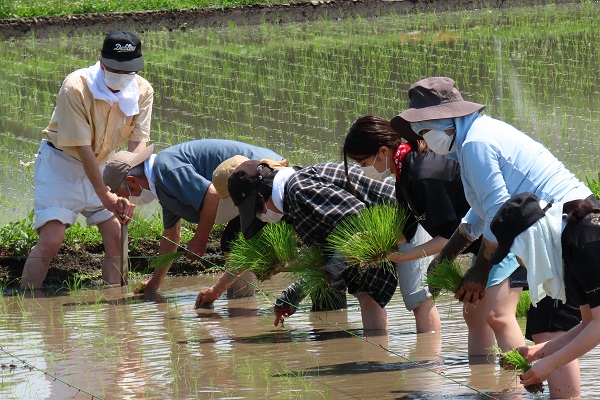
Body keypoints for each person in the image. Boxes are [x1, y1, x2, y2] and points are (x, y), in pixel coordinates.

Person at [390, 77, 593, 398]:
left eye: (424, 127)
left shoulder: (476, 144)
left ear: (447, 117)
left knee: (551, 325)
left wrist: (479, 272)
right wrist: (445, 257)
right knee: (553, 326)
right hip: (559, 226)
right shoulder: (474, 140)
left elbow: (499, 215)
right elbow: (479, 214)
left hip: (567, 226)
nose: (422, 136)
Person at [342, 115, 531, 351]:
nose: (363, 170)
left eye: (362, 163)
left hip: (502, 237)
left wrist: (404, 257)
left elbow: (449, 236)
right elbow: (405, 229)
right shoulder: (405, 170)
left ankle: (519, 383)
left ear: (382, 151)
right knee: (474, 315)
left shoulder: (423, 173)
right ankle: (483, 381)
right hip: (483, 241)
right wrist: (371, 247)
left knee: (497, 316)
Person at [20, 31, 152, 289]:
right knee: (52, 239)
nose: (123, 77)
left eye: (129, 71)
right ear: (101, 63)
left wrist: (127, 187)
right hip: (61, 165)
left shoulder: (143, 90)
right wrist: (105, 195)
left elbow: (138, 142)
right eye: (116, 69)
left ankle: (116, 304)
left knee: (116, 233)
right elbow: (82, 148)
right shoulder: (76, 87)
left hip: (105, 165)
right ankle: (27, 301)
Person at [227, 159, 399, 332]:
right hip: (381, 231)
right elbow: (326, 251)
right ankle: (376, 355)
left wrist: (335, 265)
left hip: (403, 220)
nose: (262, 218)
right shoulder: (292, 199)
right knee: (367, 293)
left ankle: (415, 355)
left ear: (261, 198)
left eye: (257, 212)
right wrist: (295, 293)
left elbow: (358, 220)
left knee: (416, 300)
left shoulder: (299, 189)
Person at [102, 138, 285, 295]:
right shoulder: (160, 183)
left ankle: (243, 310)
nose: (127, 200)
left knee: (234, 241)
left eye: (124, 194)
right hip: (253, 184)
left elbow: (211, 195)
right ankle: (243, 308)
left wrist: (200, 239)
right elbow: (171, 235)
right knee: (235, 240)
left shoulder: (165, 169)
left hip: (266, 175)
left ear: (132, 181)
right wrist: (154, 283)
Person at [489, 192, 600, 389]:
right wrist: (539, 352)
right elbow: (589, 323)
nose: (517, 260)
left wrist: (551, 364)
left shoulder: (585, 242)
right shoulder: (569, 246)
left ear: (530, 239)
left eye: (515, 251)